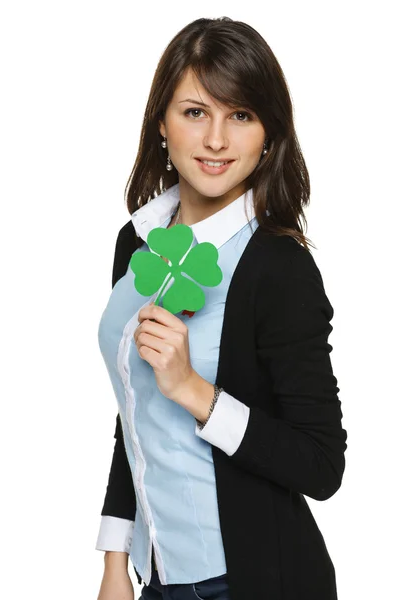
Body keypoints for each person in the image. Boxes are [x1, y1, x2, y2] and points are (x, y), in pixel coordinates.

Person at [95, 16, 348, 600]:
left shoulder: (277, 267)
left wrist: (193, 390)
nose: (216, 140)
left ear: (268, 133)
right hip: (154, 577)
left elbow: (321, 464)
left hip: (251, 581)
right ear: (161, 121)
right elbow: (133, 413)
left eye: (240, 115)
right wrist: (115, 559)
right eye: (195, 112)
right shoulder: (136, 243)